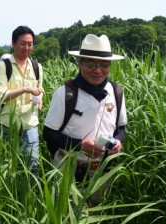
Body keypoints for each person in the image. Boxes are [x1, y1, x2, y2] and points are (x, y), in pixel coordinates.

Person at [43, 34, 127, 205]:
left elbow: (121, 129)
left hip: (102, 171)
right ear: (80, 63)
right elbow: (49, 133)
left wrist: (118, 142)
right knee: (68, 215)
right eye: (90, 64)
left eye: (104, 65)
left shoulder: (116, 92)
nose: (98, 70)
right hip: (68, 169)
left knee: (96, 211)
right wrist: (80, 146)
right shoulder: (66, 94)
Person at [0, 26, 44, 172]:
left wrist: (40, 97)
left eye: (30, 44)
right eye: (22, 43)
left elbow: (41, 89)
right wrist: (24, 89)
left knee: (33, 164)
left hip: (30, 122)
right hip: (7, 123)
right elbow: (0, 95)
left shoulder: (36, 66)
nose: (26, 47)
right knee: (6, 162)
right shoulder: (3, 66)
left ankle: (32, 193)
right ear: (13, 43)